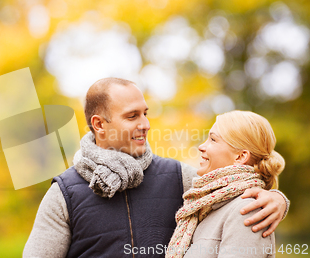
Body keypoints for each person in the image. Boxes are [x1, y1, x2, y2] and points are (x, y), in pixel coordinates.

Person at [23, 78, 289, 258]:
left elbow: (230, 192)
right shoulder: (64, 194)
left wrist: (277, 198)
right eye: (132, 116)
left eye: (145, 113)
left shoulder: (179, 177)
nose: (145, 124)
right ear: (99, 125)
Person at [167, 111, 285, 258]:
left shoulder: (246, 211)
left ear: (240, 156)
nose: (201, 147)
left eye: (213, 140)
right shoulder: (206, 207)